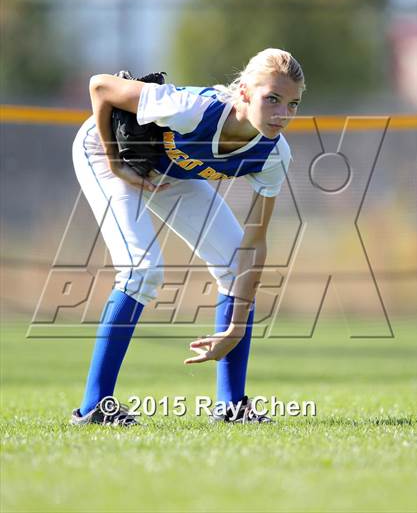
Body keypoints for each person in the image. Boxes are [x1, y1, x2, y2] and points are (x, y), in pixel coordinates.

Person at [70, 48, 305, 426]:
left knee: (233, 262)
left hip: (172, 171)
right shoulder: (192, 110)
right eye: (272, 99)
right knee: (141, 271)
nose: (282, 113)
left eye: (293, 104)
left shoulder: (273, 154)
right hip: (104, 149)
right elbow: (101, 87)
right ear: (244, 92)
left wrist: (236, 326)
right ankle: (94, 406)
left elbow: (254, 244)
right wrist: (115, 162)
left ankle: (231, 407)